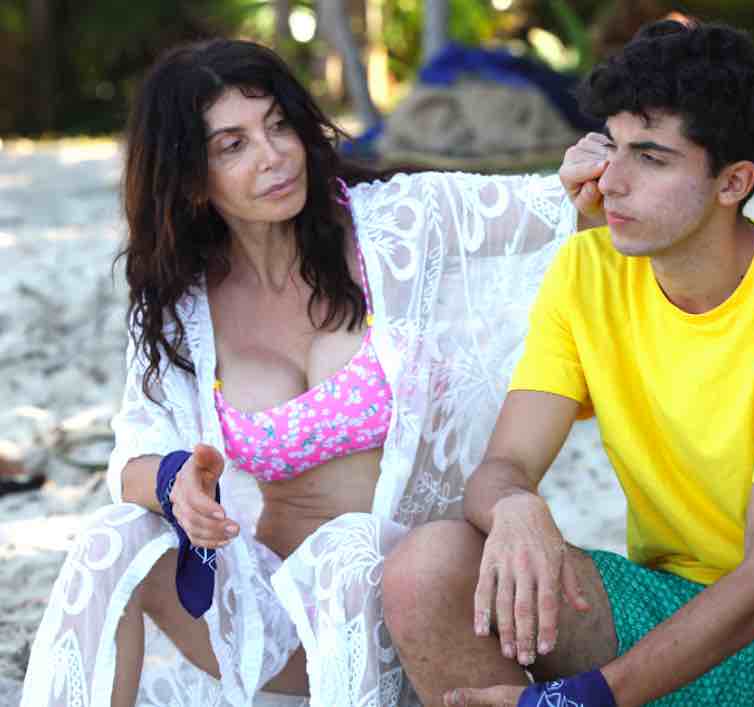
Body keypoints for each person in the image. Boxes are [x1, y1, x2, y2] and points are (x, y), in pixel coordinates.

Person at [382, 19, 754, 707]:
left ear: (732, 182)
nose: (612, 181)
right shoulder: (586, 272)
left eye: (651, 159)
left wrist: (579, 699)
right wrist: (514, 505)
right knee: (430, 564)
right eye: (611, 146)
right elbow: (504, 463)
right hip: (666, 603)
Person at [20, 38, 596, 706]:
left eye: (278, 125)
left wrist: (598, 165)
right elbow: (132, 459)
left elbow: (553, 209)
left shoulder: (397, 226)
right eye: (233, 145)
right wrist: (175, 483)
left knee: (346, 548)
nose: (273, 156)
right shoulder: (181, 306)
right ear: (189, 179)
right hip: (267, 617)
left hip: (392, 596)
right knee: (110, 535)